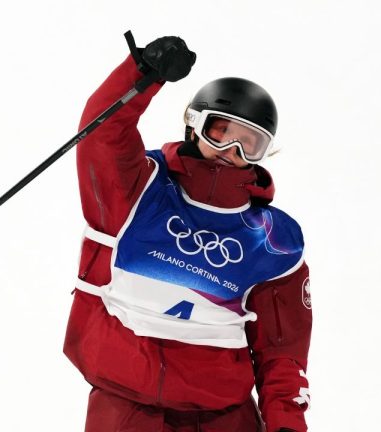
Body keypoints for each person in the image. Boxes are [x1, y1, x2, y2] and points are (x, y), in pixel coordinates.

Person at [65, 33, 312, 432]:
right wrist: (142, 73)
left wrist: (285, 422)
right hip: (126, 400)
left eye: (251, 143)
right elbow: (102, 134)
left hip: (221, 413)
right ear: (194, 124)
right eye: (221, 131)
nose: (233, 150)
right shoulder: (137, 190)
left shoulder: (272, 239)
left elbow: (282, 351)